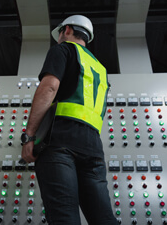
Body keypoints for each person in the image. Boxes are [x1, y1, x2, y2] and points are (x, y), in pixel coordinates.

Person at [21, 15, 118, 225]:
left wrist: (28, 136)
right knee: (104, 219)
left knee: (64, 216)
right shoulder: (100, 68)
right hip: (93, 149)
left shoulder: (63, 49)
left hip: (60, 143)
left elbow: (49, 87)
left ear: (66, 30)